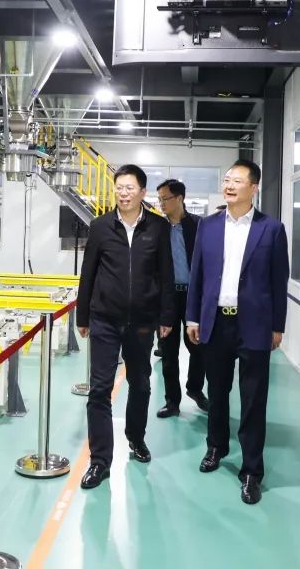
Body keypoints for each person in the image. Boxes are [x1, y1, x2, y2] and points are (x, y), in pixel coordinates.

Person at [186, 159, 289, 505]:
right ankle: (216, 447)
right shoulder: (208, 225)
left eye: (237, 181)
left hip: (254, 325)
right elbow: (198, 274)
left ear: (253, 188)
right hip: (216, 322)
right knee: (217, 392)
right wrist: (193, 317)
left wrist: (277, 326)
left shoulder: (271, 229)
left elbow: (278, 281)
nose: (229, 185)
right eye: (227, 179)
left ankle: (251, 471)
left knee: (253, 400)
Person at [76, 164, 175, 490]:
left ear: (142, 192)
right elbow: (88, 273)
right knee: (99, 390)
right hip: (104, 319)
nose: (123, 193)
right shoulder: (100, 227)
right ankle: (100, 461)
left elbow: (166, 274)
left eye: (130, 187)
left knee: (141, 384)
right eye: (119, 187)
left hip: (143, 322)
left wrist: (166, 316)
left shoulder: (158, 227)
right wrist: (82, 316)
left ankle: (136, 437)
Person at [154, 179, 208, 418]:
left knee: (198, 347)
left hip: (193, 296)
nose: (161, 203)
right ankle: (172, 401)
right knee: (168, 351)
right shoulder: (157, 227)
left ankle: (195, 389)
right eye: (159, 199)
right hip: (166, 298)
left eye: (165, 198)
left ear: (180, 198)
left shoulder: (199, 225)